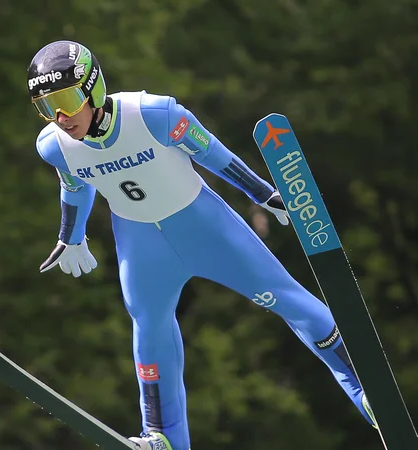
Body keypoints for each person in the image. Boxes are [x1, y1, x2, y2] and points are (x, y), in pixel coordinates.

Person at [28, 40, 376, 450]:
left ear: (94, 88)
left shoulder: (155, 114)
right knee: (149, 328)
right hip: (141, 244)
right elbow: (75, 186)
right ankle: (162, 436)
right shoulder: (53, 145)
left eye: (67, 100)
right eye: (48, 107)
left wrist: (263, 195)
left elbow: (212, 153)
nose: (61, 117)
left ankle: (365, 390)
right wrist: (70, 237)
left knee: (286, 299)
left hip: (202, 226)